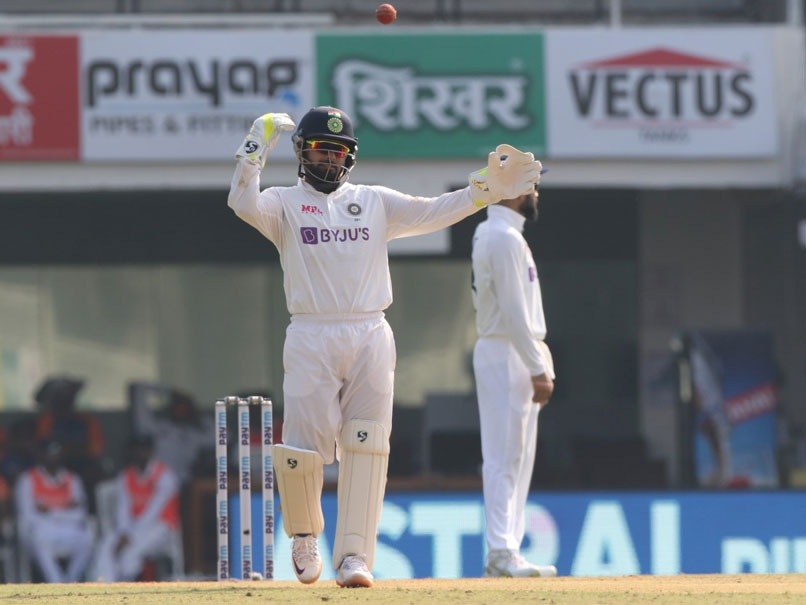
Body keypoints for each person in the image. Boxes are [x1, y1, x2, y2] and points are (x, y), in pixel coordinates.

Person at [227, 106, 542, 587]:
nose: (329, 161)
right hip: (311, 332)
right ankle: (305, 536)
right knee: (304, 447)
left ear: (350, 157)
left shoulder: (374, 201)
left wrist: (487, 188)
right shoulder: (283, 204)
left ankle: (354, 556)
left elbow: (435, 210)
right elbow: (241, 203)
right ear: (300, 152)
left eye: (338, 152)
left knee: (368, 443)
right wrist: (254, 148)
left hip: (371, 331)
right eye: (320, 150)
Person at [470, 186, 558, 578]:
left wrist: (538, 361)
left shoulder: (501, 233)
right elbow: (513, 310)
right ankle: (501, 550)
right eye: (529, 185)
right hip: (506, 352)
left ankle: (508, 550)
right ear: (511, 192)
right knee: (504, 456)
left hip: (512, 351)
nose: (535, 192)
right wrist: (537, 365)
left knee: (516, 457)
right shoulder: (502, 237)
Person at [93, 434, 181, 582]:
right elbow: (123, 510)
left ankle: (125, 588)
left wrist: (130, 537)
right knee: (106, 544)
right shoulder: (126, 476)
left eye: (144, 449)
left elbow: (153, 513)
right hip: (131, 526)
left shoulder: (165, 475)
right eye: (137, 449)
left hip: (160, 527)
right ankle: (104, 587)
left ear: (151, 451)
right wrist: (124, 533)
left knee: (130, 553)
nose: (140, 453)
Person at [14, 439, 95, 583]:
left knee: (87, 539)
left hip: (67, 528)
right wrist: (64, 510)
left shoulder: (73, 479)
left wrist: (49, 511)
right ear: (41, 455)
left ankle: (70, 581)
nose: (53, 457)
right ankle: (56, 583)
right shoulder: (28, 479)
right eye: (49, 453)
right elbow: (27, 515)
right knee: (40, 540)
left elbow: (81, 513)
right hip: (40, 529)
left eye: (56, 453)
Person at [129, 382, 213, 486]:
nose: (181, 410)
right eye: (178, 406)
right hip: (156, 482)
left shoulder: (195, 435)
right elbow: (139, 389)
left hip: (183, 485)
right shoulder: (157, 428)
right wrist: (169, 391)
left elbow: (224, 437)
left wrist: (200, 414)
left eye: (185, 407)